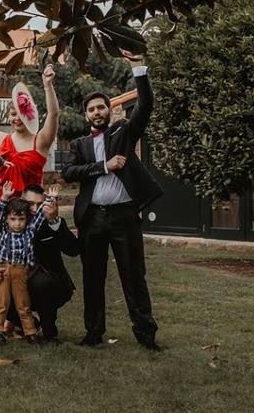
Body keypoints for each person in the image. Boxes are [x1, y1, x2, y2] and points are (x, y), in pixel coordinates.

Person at [63, 60, 163, 351]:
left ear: (109, 110)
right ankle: (93, 332)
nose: (97, 113)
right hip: (92, 218)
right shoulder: (79, 145)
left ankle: (146, 335)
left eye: (101, 108)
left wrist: (140, 73)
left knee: (134, 276)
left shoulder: (123, 132)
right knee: (93, 278)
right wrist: (103, 166)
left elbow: (145, 108)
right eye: (91, 109)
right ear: (86, 115)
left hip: (124, 217)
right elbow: (69, 173)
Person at [0, 183, 79, 343]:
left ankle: (49, 331)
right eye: (30, 204)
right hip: (12, 278)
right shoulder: (5, 228)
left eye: (40, 204)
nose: (35, 209)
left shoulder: (50, 222)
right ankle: (28, 325)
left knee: (41, 283)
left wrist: (54, 220)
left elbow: (73, 250)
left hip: (48, 284)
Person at [0, 63, 60, 218]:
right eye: (13, 114)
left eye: (20, 113)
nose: (17, 118)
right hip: (0, 205)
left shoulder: (41, 141)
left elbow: (53, 115)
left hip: (30, 207)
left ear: (29, 113)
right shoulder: (0, 138)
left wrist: (48, 85)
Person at [0, 193, 51, 345]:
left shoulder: (29, 232)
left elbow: (40, 216)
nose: (17, 224)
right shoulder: (3, 230)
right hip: (3, 269)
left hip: (21, 271)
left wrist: (51, 199)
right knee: (1, 302)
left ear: (26, 220)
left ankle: (30, 332)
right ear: (7, 219)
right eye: (13, 219)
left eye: (21, 219)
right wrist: (4, 198)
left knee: (23, 303)